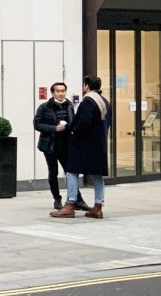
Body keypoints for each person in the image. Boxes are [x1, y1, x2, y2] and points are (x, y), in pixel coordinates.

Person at [50, 76, 110, 219]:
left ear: (86, 86)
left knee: (71, 171)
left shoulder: (88, 102)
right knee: (97, 175)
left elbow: (83, 123)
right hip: (99, 144)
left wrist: (71, 129)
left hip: (83, 145)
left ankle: (69, 205)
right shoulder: (105, 102)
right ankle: (98, 207)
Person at [33, 81, 86, 212]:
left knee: (71, 173)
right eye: (58, 91)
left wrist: (69, 127)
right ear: (53, 93)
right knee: (53, 172)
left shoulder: (69, 106)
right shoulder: (44, 107)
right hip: (50, 146)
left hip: (66, 145)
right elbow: (37, 124)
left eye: (63, 91)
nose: (61, 93)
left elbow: (72, 122)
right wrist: (54, 128)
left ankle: (77, 199)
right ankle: (57, 199)